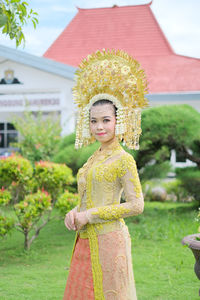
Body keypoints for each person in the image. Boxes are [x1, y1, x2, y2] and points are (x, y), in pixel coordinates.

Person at [63, 49, 148, 300]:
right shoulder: (92, 159)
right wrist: (75, 212)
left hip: (110, 241)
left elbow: (137, 205)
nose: (99, 127)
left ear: (118, 121)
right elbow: (88, 197)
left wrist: (90, 214)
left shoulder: (124, 160)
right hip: (84, 241)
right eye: (93, 121)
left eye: (106, 120)